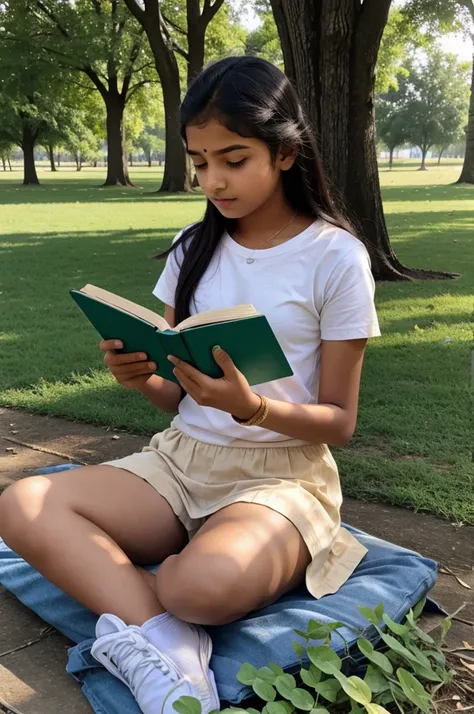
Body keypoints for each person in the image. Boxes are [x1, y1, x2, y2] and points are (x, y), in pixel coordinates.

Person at [0, 56, 381, 714]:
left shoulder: (336, 257)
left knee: (198, 587)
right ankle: (166, 639)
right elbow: (179, 395)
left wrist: (254, 406)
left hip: (283, 476)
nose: (213, 180)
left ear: (285, 153)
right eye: (200, 162)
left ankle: (164, 605)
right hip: (183, 462)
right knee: (21, 505)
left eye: (233, 159)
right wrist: (143, 375)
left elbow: (340, 423)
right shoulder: (191, 247)